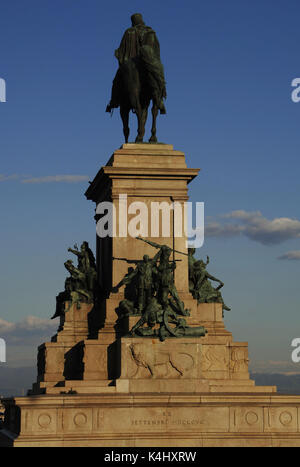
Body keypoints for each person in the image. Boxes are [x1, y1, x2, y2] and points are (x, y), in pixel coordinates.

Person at [106, 13, 166, 114]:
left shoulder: (128, 32)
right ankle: (159, 99)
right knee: (157, 75)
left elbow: (121, 52)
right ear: (141, 20)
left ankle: (113, 102)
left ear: (133, 22)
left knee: (116, 82)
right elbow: (156, 52)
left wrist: (122, 59)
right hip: (146, 62)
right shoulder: (150, 32)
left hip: (130, 62)